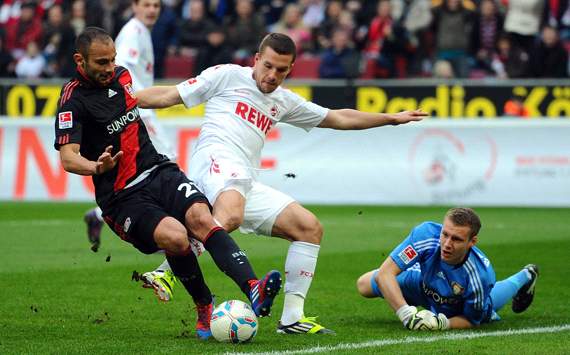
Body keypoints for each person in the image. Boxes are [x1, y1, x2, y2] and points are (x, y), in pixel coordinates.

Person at [134, 32, 427, 334]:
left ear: (290, 69)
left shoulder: (284, 101)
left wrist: (391, 118)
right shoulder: (227, 75)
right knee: (231, 213)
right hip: (213, 163)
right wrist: (123, 99)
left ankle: (291, 318)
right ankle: (167, 271)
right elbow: (170, 96)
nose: (273, 76)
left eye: (282, 70)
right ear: (257, 59)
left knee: (308, 228)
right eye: (269, 66)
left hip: (244, 180)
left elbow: (339, 118)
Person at [54, 26, 282, 340]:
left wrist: (185, 93)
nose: (110, 68)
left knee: (202, 218)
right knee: (175, 238)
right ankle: (204, 305)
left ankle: (253, 288)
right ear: (80, 60)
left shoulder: (122, 77)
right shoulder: (72, 101)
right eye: (101, 63)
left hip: (158, 170)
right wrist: (96, 166)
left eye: (112, 60)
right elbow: (68, 157)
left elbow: (151, 97)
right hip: (122, 196)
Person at [83, 0, 176, 254]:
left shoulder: (141, 31)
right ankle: (164, 231)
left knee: (155, 166)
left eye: (156, 5)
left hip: (142, 106)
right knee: (166, 163)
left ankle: (100, 215)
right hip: (137, 108)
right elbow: (121, 71)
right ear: (135, 6)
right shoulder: (133, 33)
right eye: (146, 4)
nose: (151, 10)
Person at [356, 207, 539, 330]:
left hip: (454, 305)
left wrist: (441, 323)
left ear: (472, 242)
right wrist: (406, 315)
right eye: (445, 234)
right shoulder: (425, 235)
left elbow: (469, 320)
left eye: (457, 239)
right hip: (422, 284)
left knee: (486, 308)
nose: (447, 244)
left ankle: (526, 275)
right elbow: (385, 273)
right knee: (364, 284)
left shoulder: (479, 275)